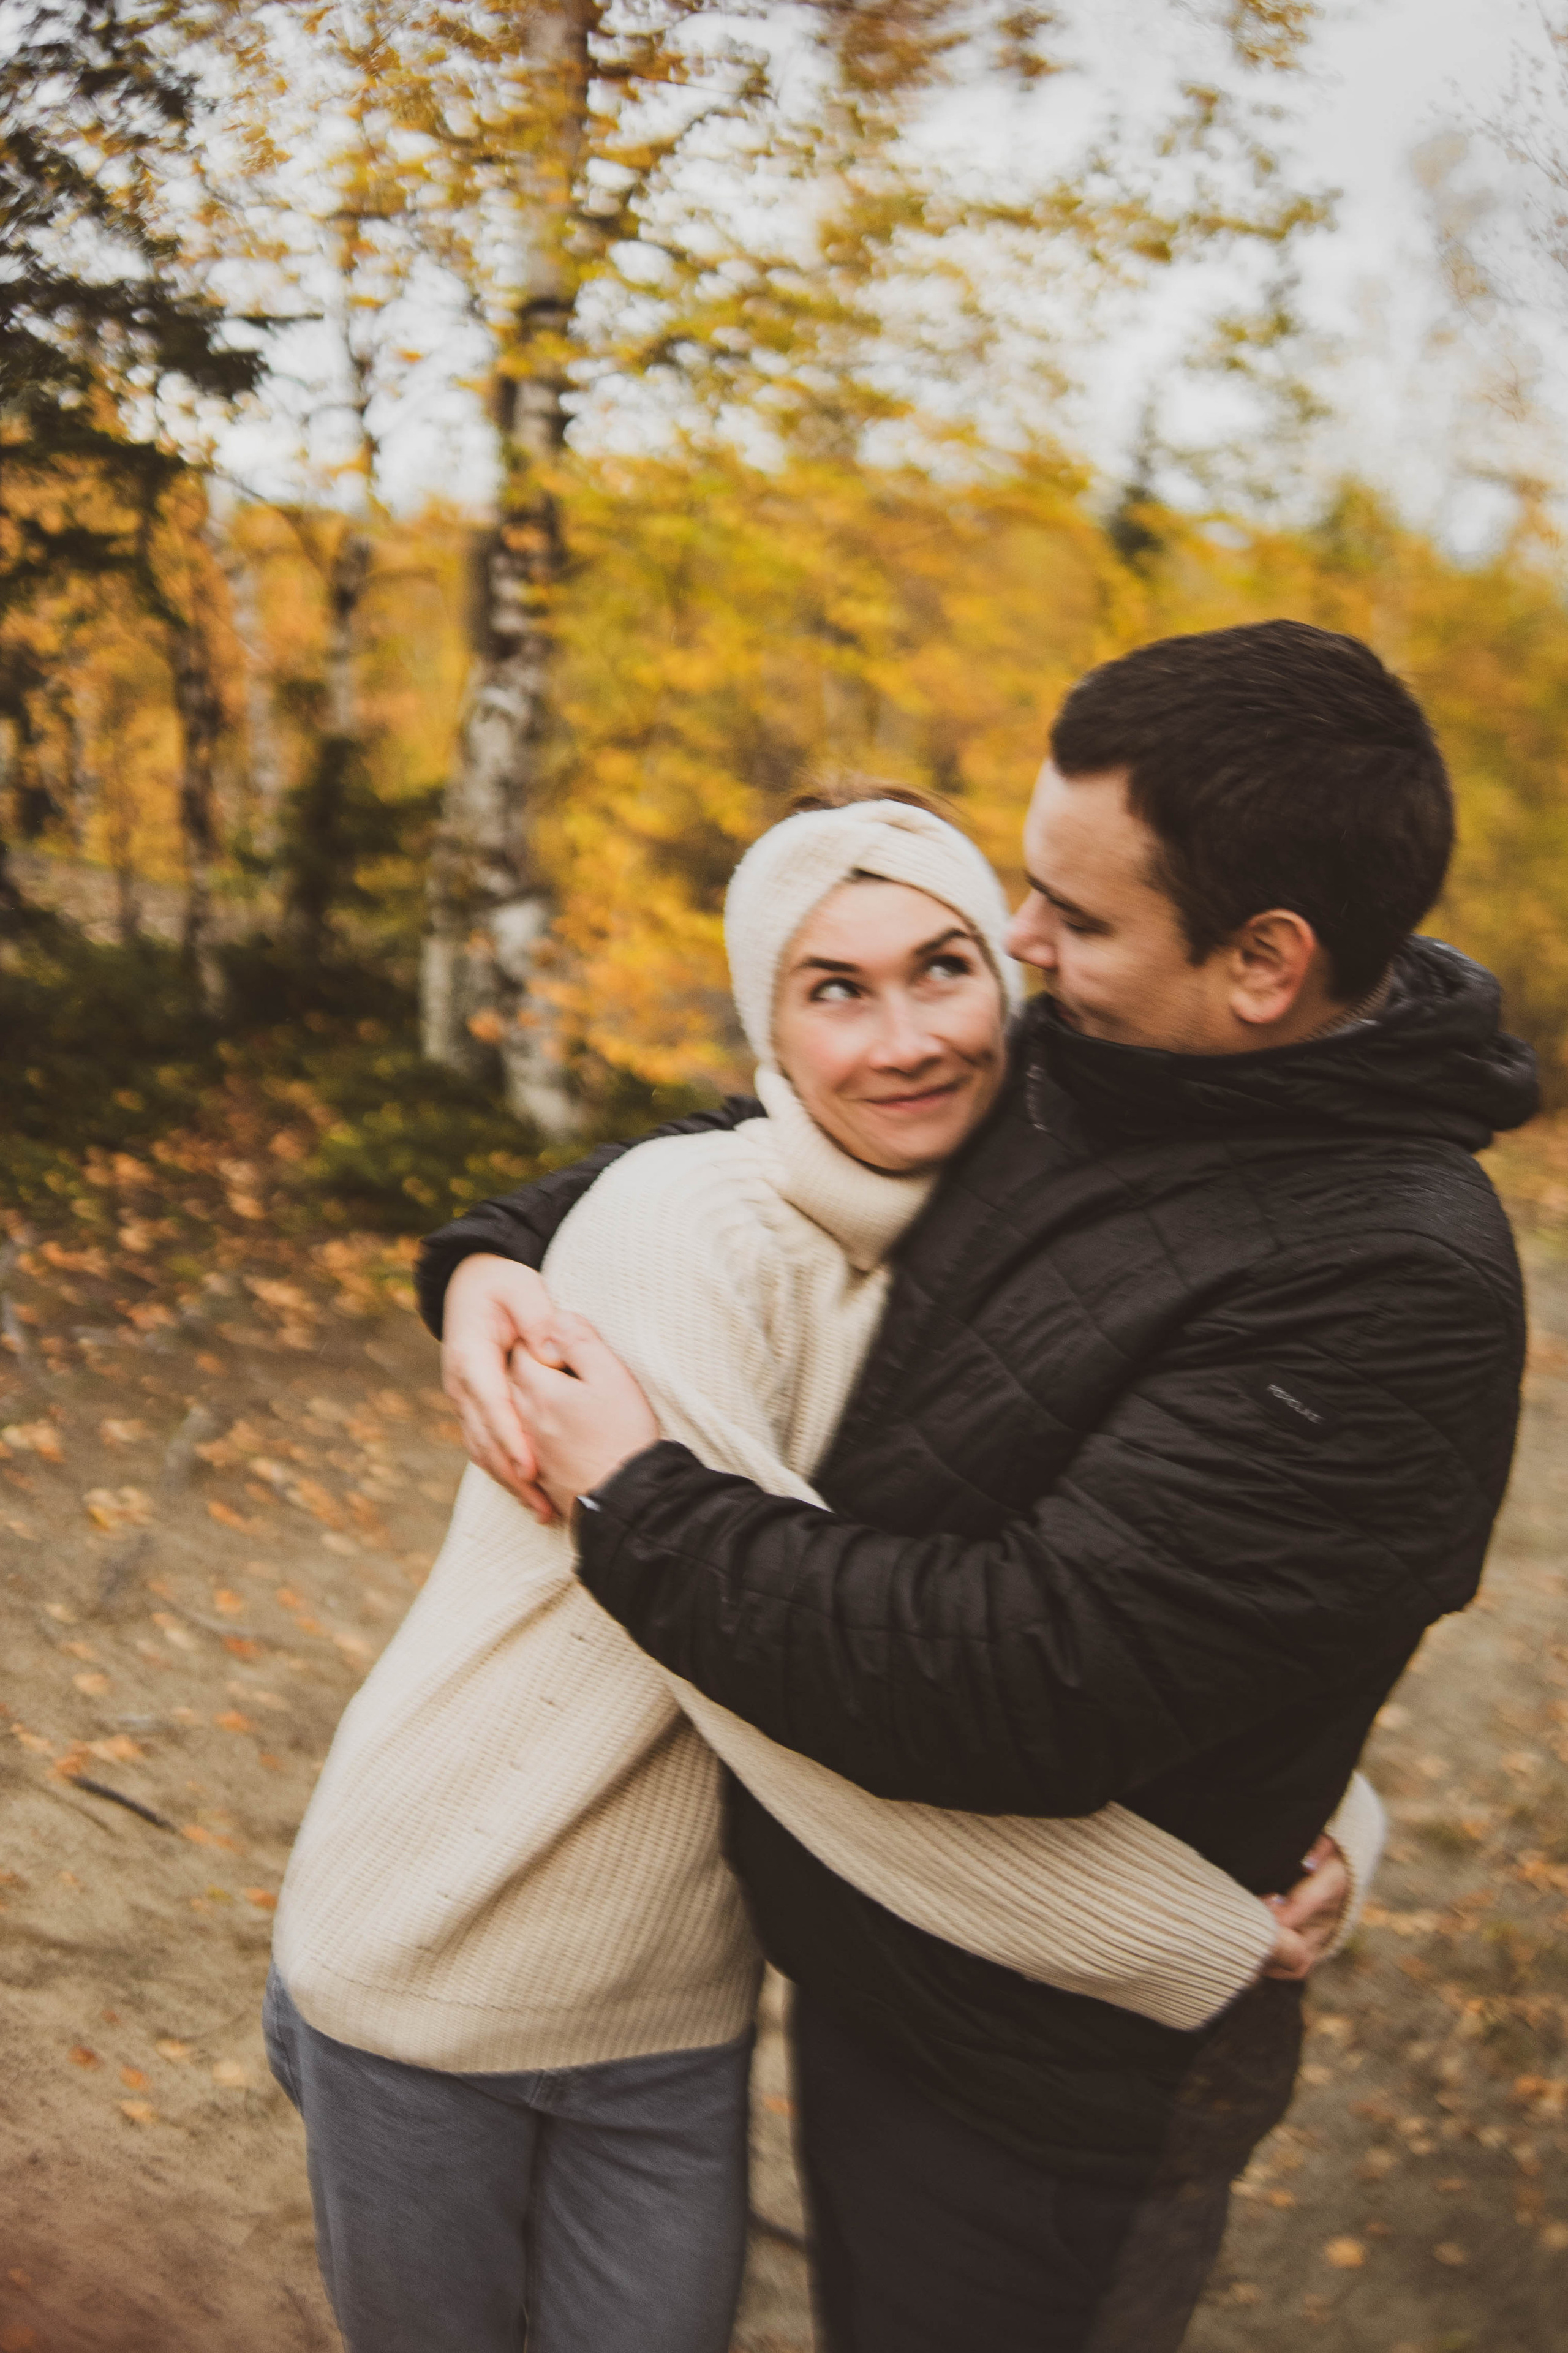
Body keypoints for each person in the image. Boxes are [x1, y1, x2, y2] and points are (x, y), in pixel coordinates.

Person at [432, 620, 1537, 2353]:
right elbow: (804, 1131)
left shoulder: (1392, 1281)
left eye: (1074, 918)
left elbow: (1023, 1676)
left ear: (1267, 960)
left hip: (1051, 2080)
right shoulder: (1113, 1051)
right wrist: (498, 1249)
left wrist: (635, 1497)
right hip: (883, 1964)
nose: (1020, 952)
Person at [266, 792, 1366, 2353]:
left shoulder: (1008, 1230)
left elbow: (1135, 1565)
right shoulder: (680, 1227)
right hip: (432, 1952)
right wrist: (1189, 1931)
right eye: (833, 989)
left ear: (1011, 978)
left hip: (672, 2005)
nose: (904, 1036)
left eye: (941, 967)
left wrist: (1329, 1808)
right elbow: (791, 1678)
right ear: (766, 1030)